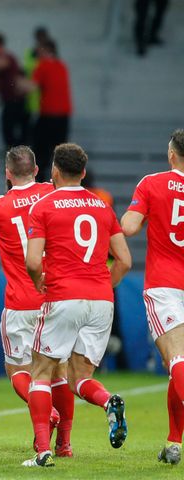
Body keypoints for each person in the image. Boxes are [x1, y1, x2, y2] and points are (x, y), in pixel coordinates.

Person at [0, 146, 74, 457]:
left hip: (21, 302)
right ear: (37, 170)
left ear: (7, 174)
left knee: (18, 370)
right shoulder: (53, 192)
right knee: (59, 371)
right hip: (56, 297)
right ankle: (64, 443)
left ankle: (45, 415)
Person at [23, 143, 131, 467]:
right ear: (83, 172)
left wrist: (38, 280)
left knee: (41, 373)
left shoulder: (43, 206)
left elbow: (31, 261)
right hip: (100, 301)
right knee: (79, 378)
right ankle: (107, 401)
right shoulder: (101, 206)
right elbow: (124, 260)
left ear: (54, 171)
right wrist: (100, 287)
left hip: (63, 296)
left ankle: (42, 450)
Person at [121, 129, 184, 465]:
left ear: (172, 154)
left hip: (165, 284)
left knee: (176, 360)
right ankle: (174, 442)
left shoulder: (153, 183)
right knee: (178, 365)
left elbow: (129, 227)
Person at [20, 40, 72, 183]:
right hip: (63, 116)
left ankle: (39, 182)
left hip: (48, 115)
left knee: (40, 152)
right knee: (60, 152)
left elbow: (32, 86)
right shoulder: (62, 66)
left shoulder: (43, 66)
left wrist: (16, 82)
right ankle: (62, 181)